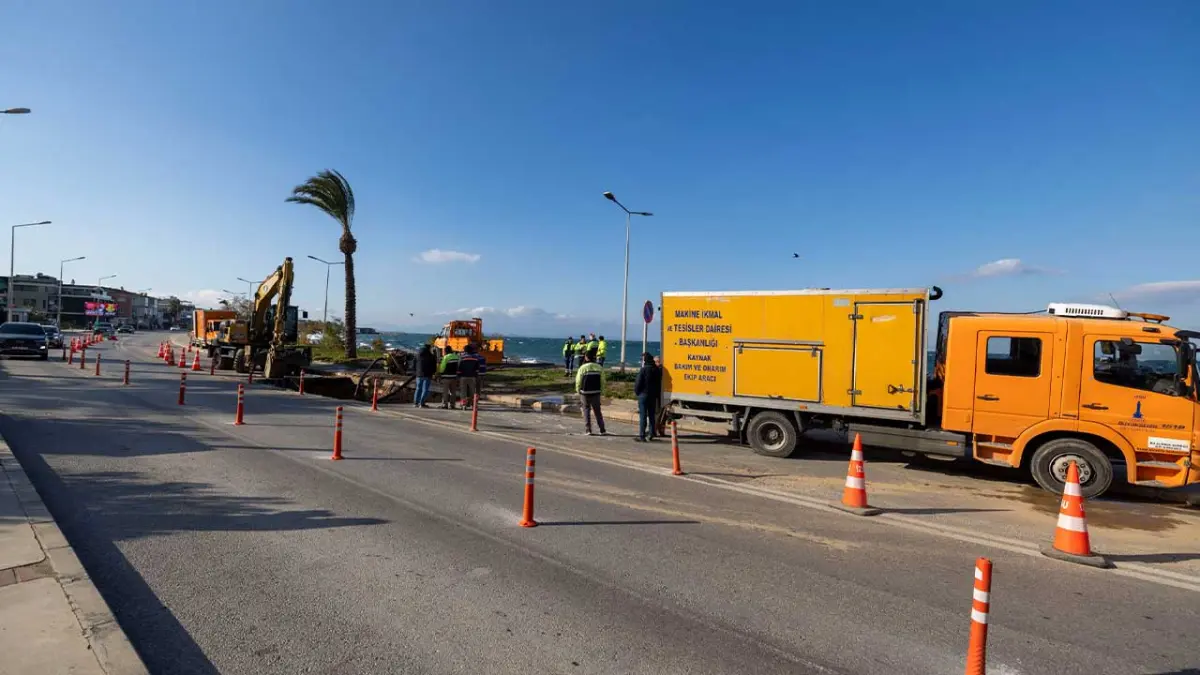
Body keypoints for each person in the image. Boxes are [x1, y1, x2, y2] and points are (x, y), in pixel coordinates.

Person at [575, 350, 607, 436]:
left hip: (584, 392)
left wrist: (578, 390)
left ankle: (588, 430)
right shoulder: (599, 367)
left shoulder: (583, 367)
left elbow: (578, 380)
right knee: (597, 411)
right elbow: (603, 381)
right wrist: (602, 391)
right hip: (596, 392)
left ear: (586, 357)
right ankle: (602, 429)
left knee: (586, 410)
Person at [633, 352, 662, 442]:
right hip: (653, 396)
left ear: (645, 360)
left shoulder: (644, 369)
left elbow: (638, 383)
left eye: (643, 359)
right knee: (652, 415)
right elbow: (658, 384)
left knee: (643, 416)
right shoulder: (656, 370)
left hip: (643, 395)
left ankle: (642, 435)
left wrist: (637, 392)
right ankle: (651, 434)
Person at [458, 343, 486, 409]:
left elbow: (459, 368)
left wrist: (459, 375)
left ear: (465, 351)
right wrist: (475, 375)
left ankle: (464, 403)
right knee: (472, 391)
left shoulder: (462, 358)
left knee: (463, 391)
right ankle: (473, 404)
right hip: (472, 377)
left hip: (463, 377)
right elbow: (477, 369)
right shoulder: (475, 358)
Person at [414, 343, 437, 408]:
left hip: (418, 374)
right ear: (429, 348)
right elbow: (434, 366)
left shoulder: (417, 354)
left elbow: (414, 363)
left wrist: (415, 371)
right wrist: (433, 373)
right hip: (427, 375)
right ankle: (422, 403)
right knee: (425, 389)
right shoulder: (431, 356)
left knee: (418, 388)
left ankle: (416, 403)